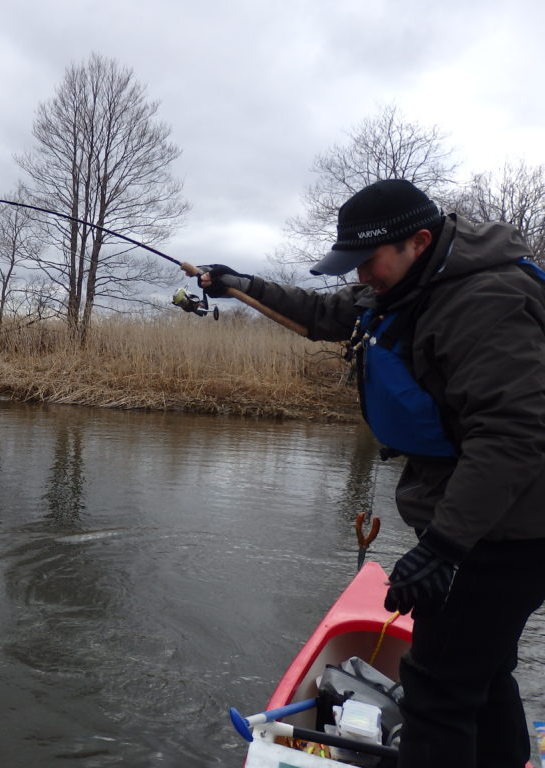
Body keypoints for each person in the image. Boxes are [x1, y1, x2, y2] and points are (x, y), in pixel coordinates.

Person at [197, 178, 545, 768]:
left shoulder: (484, 301)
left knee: (436, 691)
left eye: (368, 262)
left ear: (420, 240)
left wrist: (442, 547)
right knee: (481, 673)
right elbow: (327, 314)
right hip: (489, 514)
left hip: (514, 524)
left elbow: (513, 434)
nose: (360, 276)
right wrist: (241, 285)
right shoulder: (416, 284)